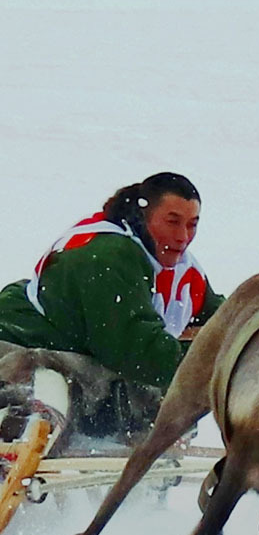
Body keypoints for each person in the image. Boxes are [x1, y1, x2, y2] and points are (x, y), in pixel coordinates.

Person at [0, 172, 223, 451]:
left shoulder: (182, 273)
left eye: (192, 225)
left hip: (77, 365)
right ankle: (18, 447)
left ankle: (140, 468)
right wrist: (219, 368)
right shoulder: (108, 255)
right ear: (144, 217)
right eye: (172, 222)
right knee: (54, 390)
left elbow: (225, 322)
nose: (183, 237)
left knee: (152, 397)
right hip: (20, 348)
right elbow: (139, 352)